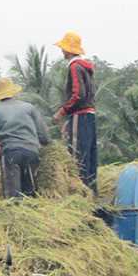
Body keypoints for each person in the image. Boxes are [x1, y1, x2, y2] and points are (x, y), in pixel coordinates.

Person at [51, 31, 97, 193]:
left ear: (69, 50)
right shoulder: (85, 67)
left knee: (78, 157)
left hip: (81, 115)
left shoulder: (74, 66)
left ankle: (81, 194)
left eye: (63, 48)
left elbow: (78, 94)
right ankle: (92, 192)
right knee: (90, 157)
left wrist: (62, 112)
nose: (62, 51)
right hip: (89, 115)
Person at [0, 77, 50, 198]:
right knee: (30, 189)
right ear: (13, 92)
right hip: (31, 151)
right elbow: (43, 135)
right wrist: (46, 144)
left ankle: (16, 212)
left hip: (10, 152)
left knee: (13, 193)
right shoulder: (28, 107)